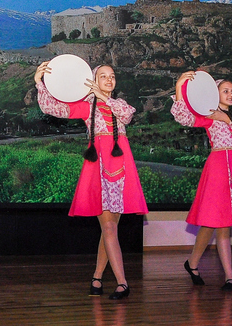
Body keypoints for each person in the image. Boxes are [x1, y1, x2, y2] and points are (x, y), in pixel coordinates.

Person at [34, 62, 147, 299]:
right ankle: (122, 282)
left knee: (110, 229)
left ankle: (97, 278)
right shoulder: (87, 107)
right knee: (108, 227)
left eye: (112, 76)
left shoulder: (119, 105)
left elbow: (127, 115)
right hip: (99, 167)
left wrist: (103, 97)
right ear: (93, 79)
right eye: (102, 76)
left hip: (121, 168)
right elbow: (53, 107)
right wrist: (39, 82)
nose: (108, 80)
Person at [172, 72, 232, 291]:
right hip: (218, 167)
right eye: (225, 91)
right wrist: (180, 85)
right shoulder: (209, 115)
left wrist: (228, 119)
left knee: (223, 225)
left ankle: (227, 275)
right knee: (212, 222)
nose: (230, 94)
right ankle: (195, 264)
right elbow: (184, 118)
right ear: (215, 94)